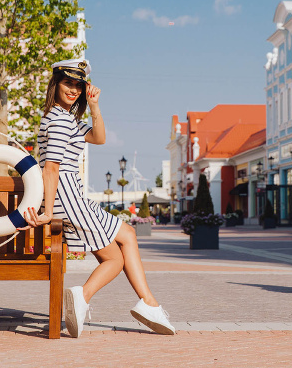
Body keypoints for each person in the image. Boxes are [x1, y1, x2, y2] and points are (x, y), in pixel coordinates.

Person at [19, 58, 175, 338]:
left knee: (115, 257)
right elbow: (51, 168)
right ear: (55, 83)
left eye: (78, 85)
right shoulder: (58, 121)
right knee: (126, 234)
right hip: (66, 197)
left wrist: (94, 107)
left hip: (67, 196)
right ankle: (141, 302)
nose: (73, 90)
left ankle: (100, 298)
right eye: (68, 83)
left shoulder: (65, 119)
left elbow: (99, 137)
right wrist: (48, 212)